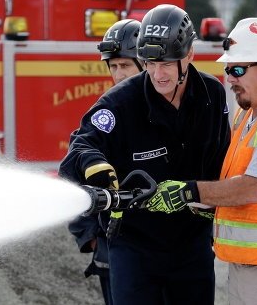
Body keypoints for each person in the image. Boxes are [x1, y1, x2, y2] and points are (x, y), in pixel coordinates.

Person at [146, 17, 257, 305]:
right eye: (228, 69)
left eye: (238, 69)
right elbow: (234, 181)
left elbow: (252, 188)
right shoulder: (249, 115)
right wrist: (209, 204)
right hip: (252, 264)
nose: (230, 78)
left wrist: (189, 191)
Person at [60, 4, 231, 305]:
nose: (157, 73)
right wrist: (95, 165)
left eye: (166, 63)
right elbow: (80, 147)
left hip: (193, 247)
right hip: (134, 247)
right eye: (149, 63)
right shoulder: (119, 103)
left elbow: (222, 158)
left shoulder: (211, 95)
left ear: (189, 55)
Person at [67, 18, 143, 305]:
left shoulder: (168, 112)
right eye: (113, 66)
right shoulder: (104, 116)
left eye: (125, 65)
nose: (118, 74)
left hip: (164, 250)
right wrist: (91, 236)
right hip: (114, 249)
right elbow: (71, 172)